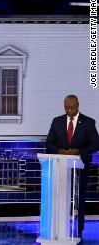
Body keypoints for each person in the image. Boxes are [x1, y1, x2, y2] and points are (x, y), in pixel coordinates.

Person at [45, 94, 99, 238]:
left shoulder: (88, 122)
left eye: (72, 108)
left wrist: (80, 151)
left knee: (79, 198)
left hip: (81, 168)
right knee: (60, 197)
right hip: (60, 168)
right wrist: (59, 151)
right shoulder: (57, 122)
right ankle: (59, 227)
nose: (69, 111)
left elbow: (96, 144)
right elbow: (49, 143)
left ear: (78, 105)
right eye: (66, 108)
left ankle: (78, 230)